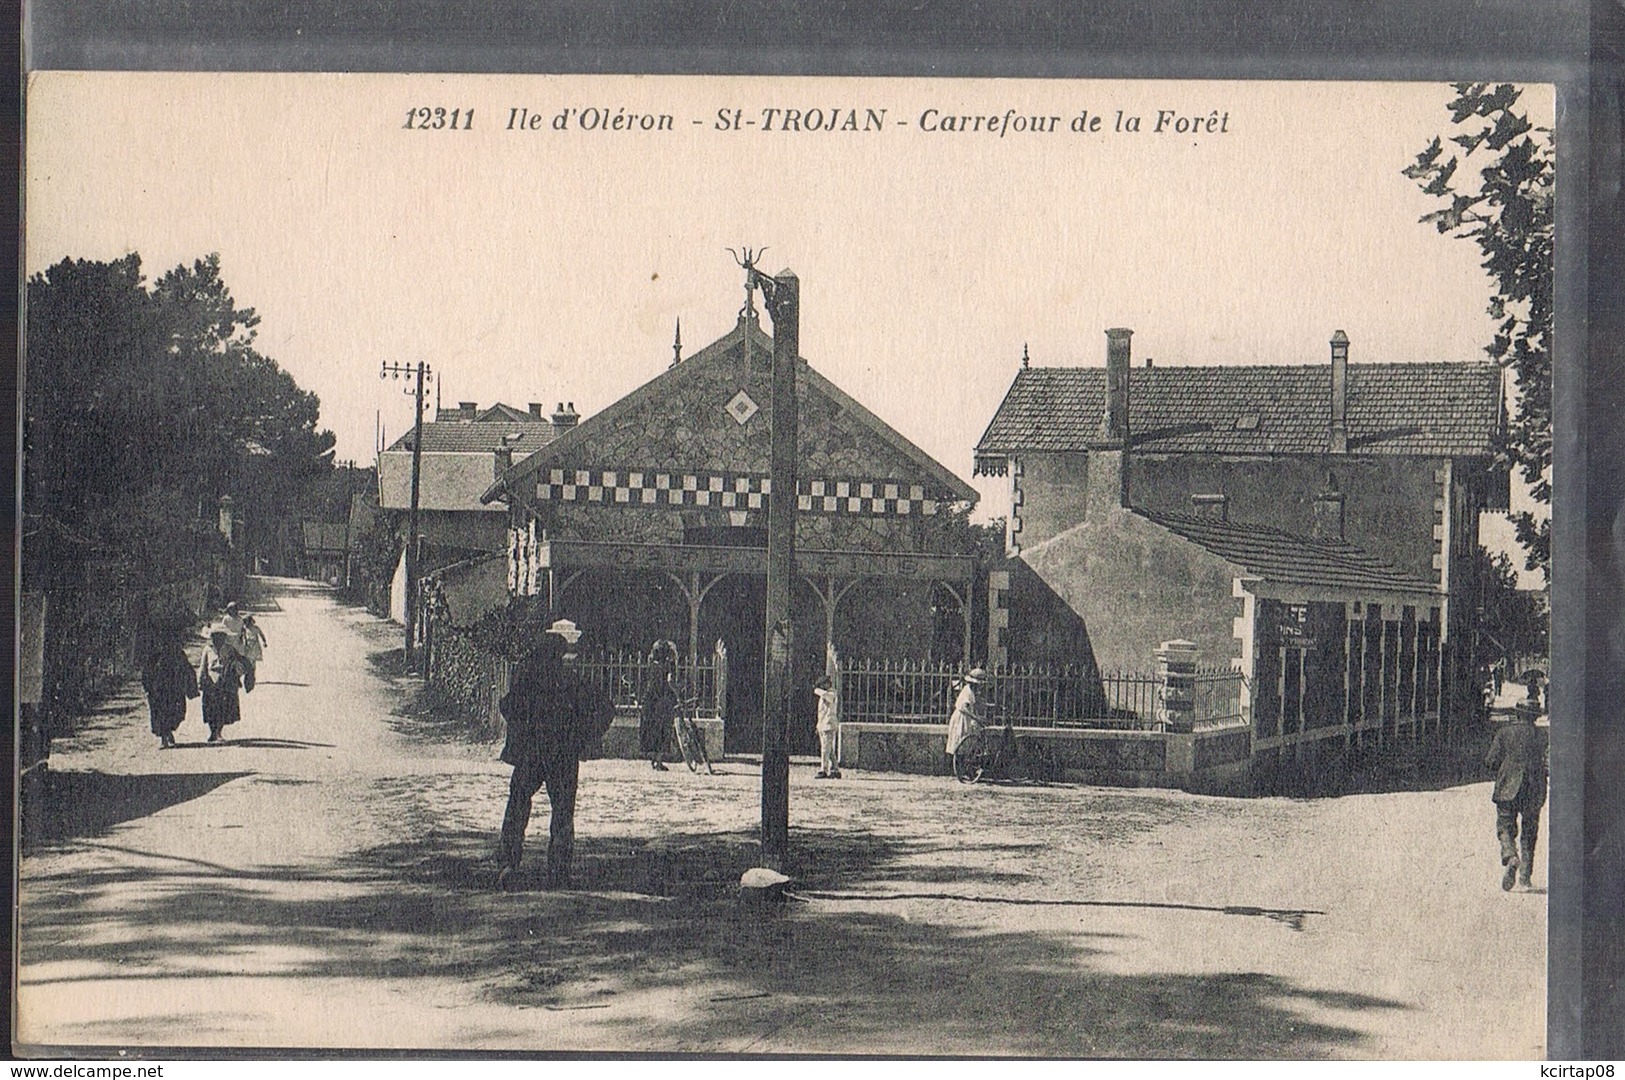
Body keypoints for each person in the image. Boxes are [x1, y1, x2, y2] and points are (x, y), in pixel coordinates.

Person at [497, 618, 615, 890]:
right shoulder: (571, 681)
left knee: (517, 804)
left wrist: (524, 729)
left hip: (532, 754)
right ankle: (559, 871)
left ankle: (508, 863)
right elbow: (606, 709)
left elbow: (507, 706)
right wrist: (583, 737)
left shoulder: (528, 680)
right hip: (562, 755)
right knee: (562, 813)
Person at [1484, 683, 1549, 891]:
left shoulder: (1504, 733)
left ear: (1517, 714)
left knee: (1505, 826)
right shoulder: (1543, 736)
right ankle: (1525, 878)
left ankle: (1510, 855)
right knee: (1530, 832)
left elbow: (1491, 761)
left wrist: (1502, 768)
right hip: (1533, 789)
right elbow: (1550, 762)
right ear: (1535, 716)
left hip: (1507, 788)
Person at [142, 619, 198, 749]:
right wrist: (147, 685)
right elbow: (147, 670)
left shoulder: (177, 653)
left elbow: (187, 668)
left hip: (174, 688)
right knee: (160, 712)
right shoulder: (154, 655)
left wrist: (191, 686)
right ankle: (164, 737)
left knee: (176, 712)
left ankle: (168, 732)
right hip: (158, 688)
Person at [197, 628, 247, 743]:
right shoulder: (208, 649)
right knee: (210, 708)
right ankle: (212, 732)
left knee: (222, 708)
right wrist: (200, 681)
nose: (217, 639)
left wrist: (235, 670)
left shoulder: (229, 649)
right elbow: (202, 666)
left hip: (225, 682)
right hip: (210, 681)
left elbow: (239, 665)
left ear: (224, 637)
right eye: (215, 636)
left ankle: (218, 732)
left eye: (220, 636)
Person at [638, 639, 678, 771]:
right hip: (662, 701)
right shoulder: (667, 665)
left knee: (652, 729)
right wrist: (676, 692)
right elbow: (670, 681)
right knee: (663, 729)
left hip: (650, 700)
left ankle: (654, 760)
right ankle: (659, 761)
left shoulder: (651, 665)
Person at [945, 667, 988, 758]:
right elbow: (963, 707)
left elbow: (974, 704)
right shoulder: (967, 691)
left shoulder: (972, 691)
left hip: (966, 718)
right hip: (961, 718)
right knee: (959, 740)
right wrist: (975, 717)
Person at [814, 675, 842, 779]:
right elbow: (821, 713)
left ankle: (824, 769)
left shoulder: (832, 693)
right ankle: (835, 769)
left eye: (823, 684)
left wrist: (817, 690)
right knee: (829, 750)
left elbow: (827, 696)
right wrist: (818, 726)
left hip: (829, 724)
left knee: (825, 749)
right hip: (823, 725)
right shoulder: (823, 695)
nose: (821, 687)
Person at [239, 614, 268, 692]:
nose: (247, 624)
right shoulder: (244, 629)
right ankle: (247, 676)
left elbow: (261, 635)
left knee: (253, 663)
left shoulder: (256, 628)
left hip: (254, 647)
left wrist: (264, 642)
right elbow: (241, 637)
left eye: (248, 622)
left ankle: (252, 676)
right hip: (247, 647)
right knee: (247, 662)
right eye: (245, 622)